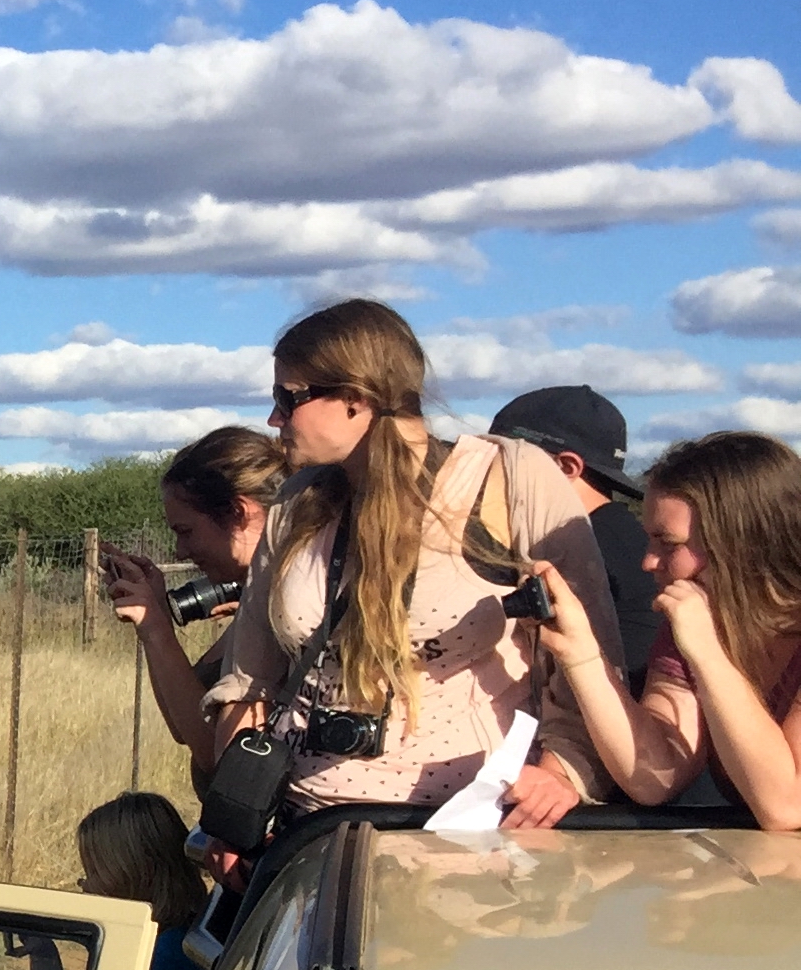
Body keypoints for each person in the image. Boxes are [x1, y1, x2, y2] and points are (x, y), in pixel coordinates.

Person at [205, 298, 622, 833]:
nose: (273, 419)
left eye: (289, 398)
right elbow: (251, 683)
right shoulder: (294, 505)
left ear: (357, 397)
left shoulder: (508, 481)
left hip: (467, 831)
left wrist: (563, 771)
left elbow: (592, 656)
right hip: (304, 828)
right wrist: (233, 815)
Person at [524, 429, 801, 828]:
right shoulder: (696, 626)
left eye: (668, 544)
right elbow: (655, 777)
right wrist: (581, 653)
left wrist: (708, 654)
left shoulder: (702, 636)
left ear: (741, 543)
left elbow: (785, 806)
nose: (648, 562)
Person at [105, 425, 281, 775]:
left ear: (237, 513)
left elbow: (213, 756)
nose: (180, 550)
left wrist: (155, 628)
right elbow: (180, 724)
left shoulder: (284, 610)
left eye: (186, 532)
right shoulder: (257, 596)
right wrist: (155, 623)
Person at [494, 384, 657, 690]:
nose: (487, 471)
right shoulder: (628, 538)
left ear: (566, 467)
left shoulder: (582, 551)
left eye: (504, 458)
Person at [76, 790, 211, 970]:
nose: (85, 886)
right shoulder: (185, 938)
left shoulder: (159, 960)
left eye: (94, 871)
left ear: (135, 872)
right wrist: (43, 957)